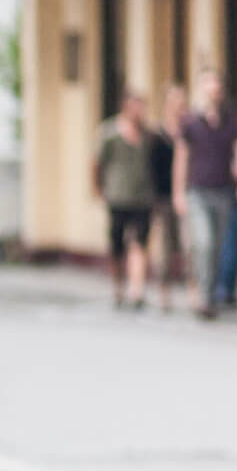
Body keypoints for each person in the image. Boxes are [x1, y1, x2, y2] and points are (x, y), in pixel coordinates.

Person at [174, 71, 237, 319]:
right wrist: (178, 192)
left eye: (217, 88)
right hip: (197, 192)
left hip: (223, 192)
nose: (214, 92)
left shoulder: (231, 122)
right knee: (204, 243)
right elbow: (181, 159)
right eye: (209, 86)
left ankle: (209, 294)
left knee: (218, 247)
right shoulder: (190, 122)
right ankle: (202, 296)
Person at [95, 91, 156, 309]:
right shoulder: (109, 133)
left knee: (140, 243)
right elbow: (97, 163)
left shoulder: (148, 135)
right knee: (117, 245)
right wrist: (98, 189)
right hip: (117, 196)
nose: (139, 112)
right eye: (135, 107)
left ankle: (136, 290)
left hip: (143, 197)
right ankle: (118, 287)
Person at [148, 85, 189, 311]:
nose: (179, 107)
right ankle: (164, 293)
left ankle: (194, 291)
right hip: (162, 198)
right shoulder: (156, 134)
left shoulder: (190, 132)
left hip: (188, 197)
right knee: (164, 248)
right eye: (174, 102)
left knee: (189, 246)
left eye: (182, 102)